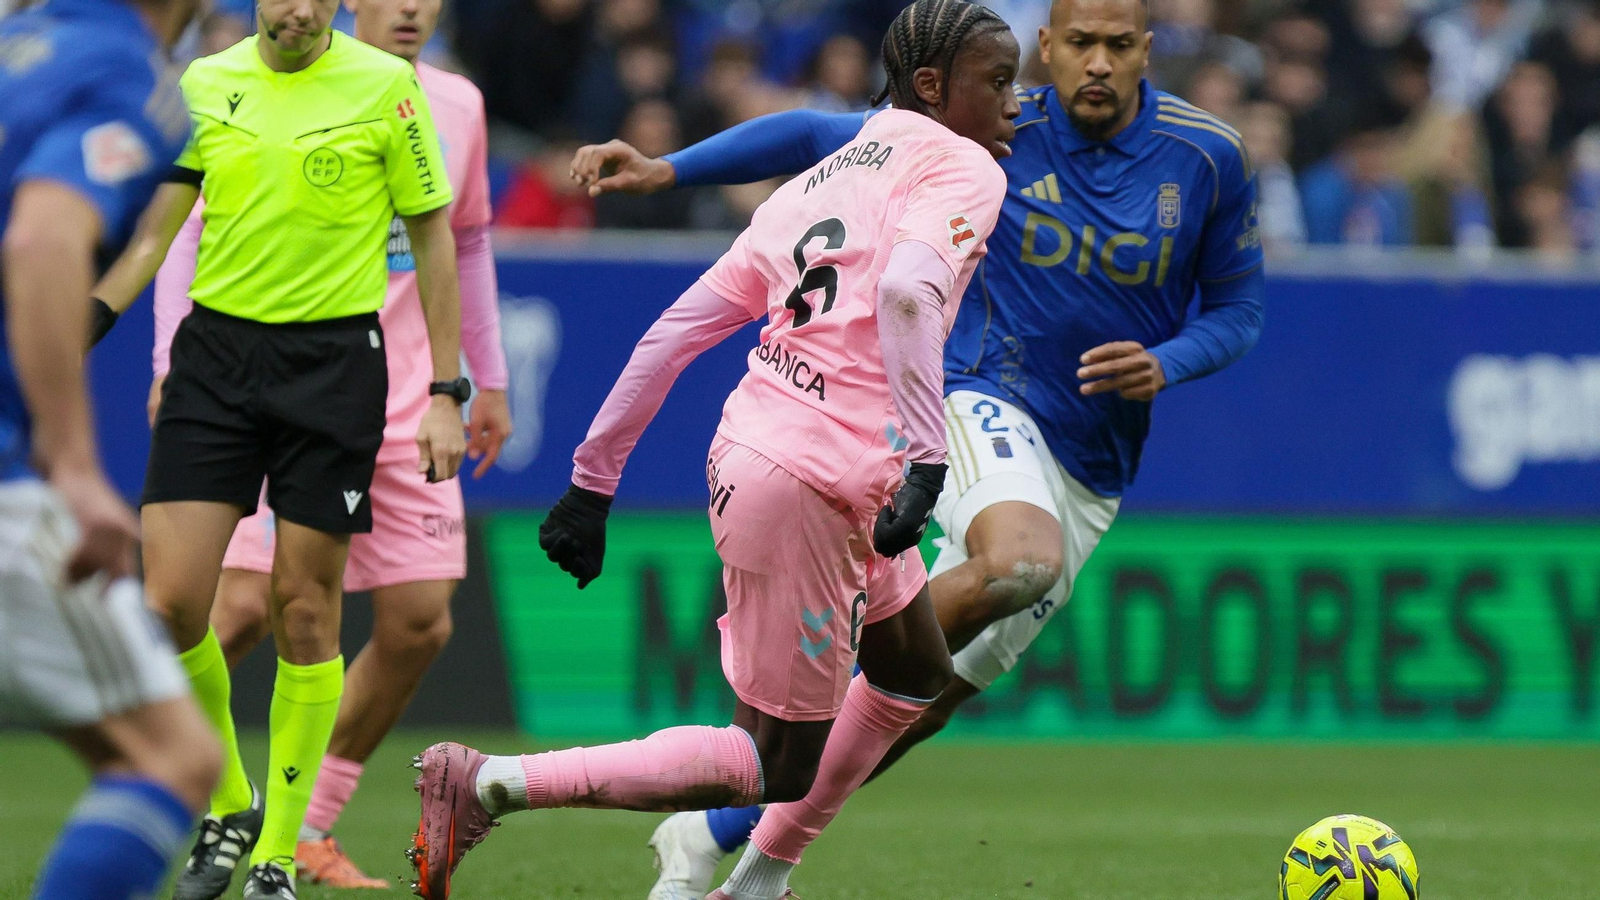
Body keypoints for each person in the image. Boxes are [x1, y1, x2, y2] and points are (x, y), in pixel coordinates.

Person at [568, 0, 1266, 895]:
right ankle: (844, 637)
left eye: (1118, 46)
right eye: (1079, 44)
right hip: (979, 393)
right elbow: (819, 132)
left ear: (1148, 51)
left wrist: (1167, 362)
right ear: (1046, 45)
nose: (1096, 64)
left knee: (922, 703)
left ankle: (729, 845)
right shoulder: (993, 122)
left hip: (1093, 463)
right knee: (1018, 564)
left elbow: (1240, 311)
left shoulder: (1208, 156)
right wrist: (671, 167)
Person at [407, 2, 1020, 899]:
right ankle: (492, 783)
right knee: (772, 762)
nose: (1016, 101)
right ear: (933, 86)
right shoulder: (967, 167)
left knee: (915, 668)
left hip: (784, 452)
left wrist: (592, 481)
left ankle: (760, 882)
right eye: (999, 82)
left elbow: (673, 332)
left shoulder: (824, 176)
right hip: (813, 482)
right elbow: (906, 292)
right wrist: (930, 457)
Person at [90, 1, 467, 897]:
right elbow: (157, 229)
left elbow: (434, 237)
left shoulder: (386, 88)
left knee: (304, 609)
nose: (296, 10)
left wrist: (447, 391)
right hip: (215, 360)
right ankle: (230, 801)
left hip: (332, 366)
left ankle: (274, 860)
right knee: (173, 602)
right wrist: (87, 319)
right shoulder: (205, 83)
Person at [0, 2, 221, 900]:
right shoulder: (128, 77)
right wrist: (77, 466)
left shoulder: (20, 47)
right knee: (172, 757)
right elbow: (44, 238)